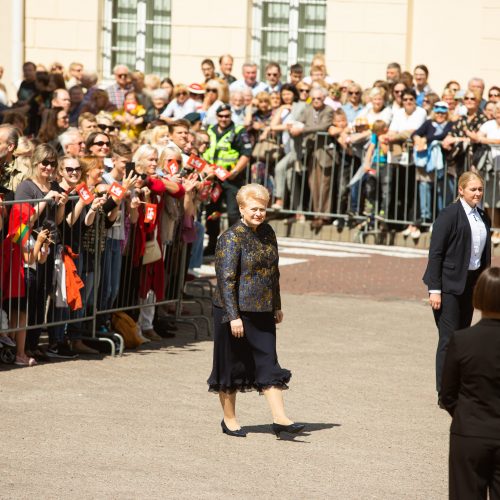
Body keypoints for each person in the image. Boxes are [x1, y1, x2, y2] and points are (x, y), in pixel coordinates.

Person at [207, 183, 304, 439]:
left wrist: (277, 304)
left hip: (262, 309)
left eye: (262, 209)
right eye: (254, 209)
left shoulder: (268, 232)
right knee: (229, 366)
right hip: (233, 312)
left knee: (268, 361)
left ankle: (280, 419)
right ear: (241, 209)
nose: (259, 213)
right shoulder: (230, 237)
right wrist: (233, 316)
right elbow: (226, 279)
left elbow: (274, 272)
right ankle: (229, 419)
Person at [423, 171, 491, 396]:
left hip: (469, 285)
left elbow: (484, 257)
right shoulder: (449, 214)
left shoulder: (483, 216)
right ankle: (444, 392)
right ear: (461, 190)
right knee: (449, 339)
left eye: (480, 189)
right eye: (473, 189)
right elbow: (436, 253)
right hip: (448, 286)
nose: (478, 194)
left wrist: (483, 287)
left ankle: (458, 385)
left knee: (462, 339)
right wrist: (435, 289)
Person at [440, 267, 500, 500]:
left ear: (478, 297)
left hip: (469, 433)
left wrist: (466, 416)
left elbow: (447, 394)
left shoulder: (462, 340)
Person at [202, 103, 252, 255]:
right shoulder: (209, 130)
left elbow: (246, 153)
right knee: (212, 212)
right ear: (216, 117)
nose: (224, 119)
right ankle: (212, 244)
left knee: (233, 213)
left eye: (227, 116)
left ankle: (235, 246)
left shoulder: (238, 131)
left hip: (231, 178)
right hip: (213, 178)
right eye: (221, 116)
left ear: (231, 116)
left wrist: (236, 171)